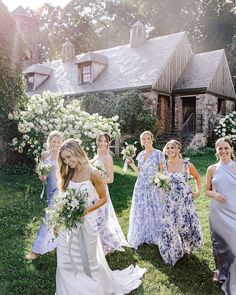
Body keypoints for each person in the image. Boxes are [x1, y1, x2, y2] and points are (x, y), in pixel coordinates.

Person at [56, 138, 146, 295]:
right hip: (68, 223)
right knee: (65, 261)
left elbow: (103, 198)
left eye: (69, 157)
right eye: (64, 159)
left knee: (87, 262)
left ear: (77, 152)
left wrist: (85, 211)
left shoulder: (93, 173)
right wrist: (59, 219)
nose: (67, 161)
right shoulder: (67, 172)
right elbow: (63, 197)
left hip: (86, 222)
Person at [158, 140, 203, 266]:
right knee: (171, 225)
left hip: (185, 200)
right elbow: (161, 182)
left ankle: (188, 245)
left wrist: (198, 191)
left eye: (173, 147)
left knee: (185, 224)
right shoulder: (163, 165)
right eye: (168, 147)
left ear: (178, 149)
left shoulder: (186, 164)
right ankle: (174, 249)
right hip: (170, 201)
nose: (170, 149)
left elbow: (197, 177)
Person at [25, 131, 63, 260]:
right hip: (49, 189)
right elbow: (42, 173)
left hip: (60, 189)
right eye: (54, 141)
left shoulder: (63, 155)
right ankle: (55, 240)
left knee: (49, 216)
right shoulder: (44, 155)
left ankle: (36, 249)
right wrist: (41, 177)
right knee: (55, 216)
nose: (56, 144)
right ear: (49, 141)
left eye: (58, 142)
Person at [91, 132, 130, 254]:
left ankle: (104, 242)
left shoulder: (107, 157)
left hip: (101, 189)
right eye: (100, 140)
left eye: (105, 141)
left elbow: (111, 179)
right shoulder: (97, 155)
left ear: (109, 143)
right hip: (93, 190)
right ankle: (94, 241)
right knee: (94, 216)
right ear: (97, 142)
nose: (102, 143)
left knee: (102, 217)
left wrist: (98, 181)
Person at [206, 137, 236, 294]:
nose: (223, 151)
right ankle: (220, 271)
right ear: (216, 151)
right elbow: (207, 190)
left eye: (226, 148)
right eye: (220, 149)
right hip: (218, 212)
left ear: (232, 149)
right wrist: (215, 195)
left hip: (234, 211)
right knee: (220, 245)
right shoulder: (212, 169)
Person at [127, 130, 166, 249]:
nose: (146, 141)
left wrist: (160, 183)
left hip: (153, 185)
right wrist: (131, 164)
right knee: (141, 208)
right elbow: (139, 171)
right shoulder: (140, 154)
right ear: (141, 141)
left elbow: (163, 171)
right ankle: (142, 234)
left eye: (148, 138)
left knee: (154, 207)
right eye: (144, 139)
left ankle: (156, 234)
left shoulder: (159, 154)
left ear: (152, 139)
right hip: (140, 185)